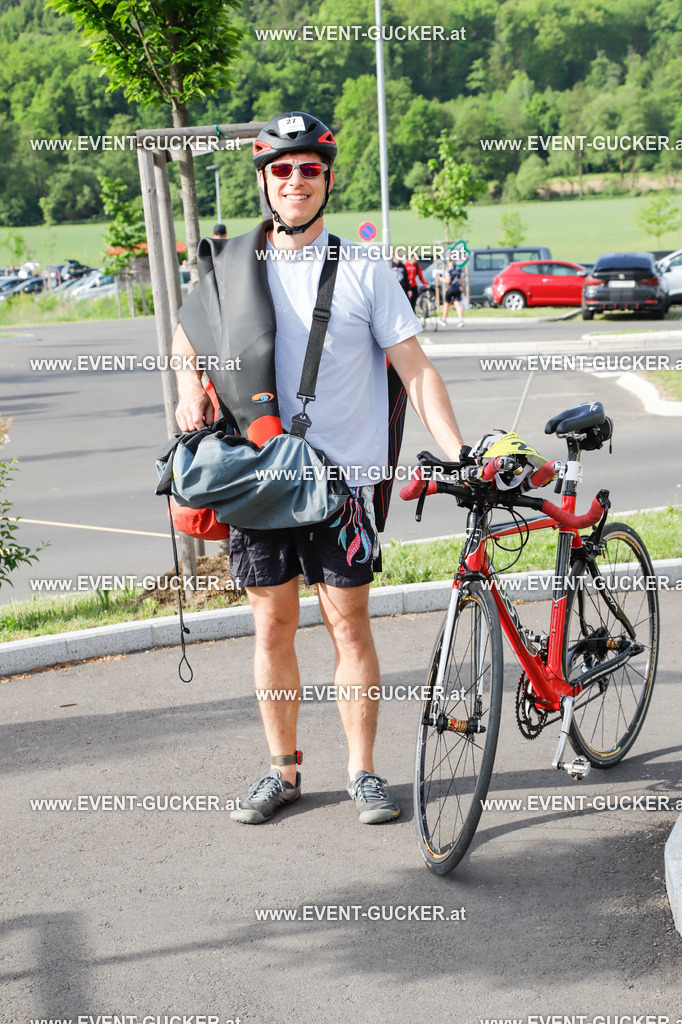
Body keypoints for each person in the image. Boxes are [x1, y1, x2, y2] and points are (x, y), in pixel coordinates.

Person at [172, 110, 465, 826]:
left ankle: (363, 772)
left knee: (348, 626)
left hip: (341, 486)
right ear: (265, 182)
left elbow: (415, 369)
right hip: (263, 473)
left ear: (327, 180)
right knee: (271, 627)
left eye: (309, 169)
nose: (295, 180)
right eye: (281, 169)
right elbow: (190, 337)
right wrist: (188, 388)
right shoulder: (232, 268)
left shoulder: (366, 272)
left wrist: (459, 451)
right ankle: (283, 771)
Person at [437, 257, 465, 327]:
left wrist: (440, 278)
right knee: (458, 304)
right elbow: (461, 279)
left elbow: (448, 280)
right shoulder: (458, 269)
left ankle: (444, 319)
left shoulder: (448, 270)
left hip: (450, 288)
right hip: (457, 288)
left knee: (446, 304)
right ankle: (461, 320)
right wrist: (462, 288)